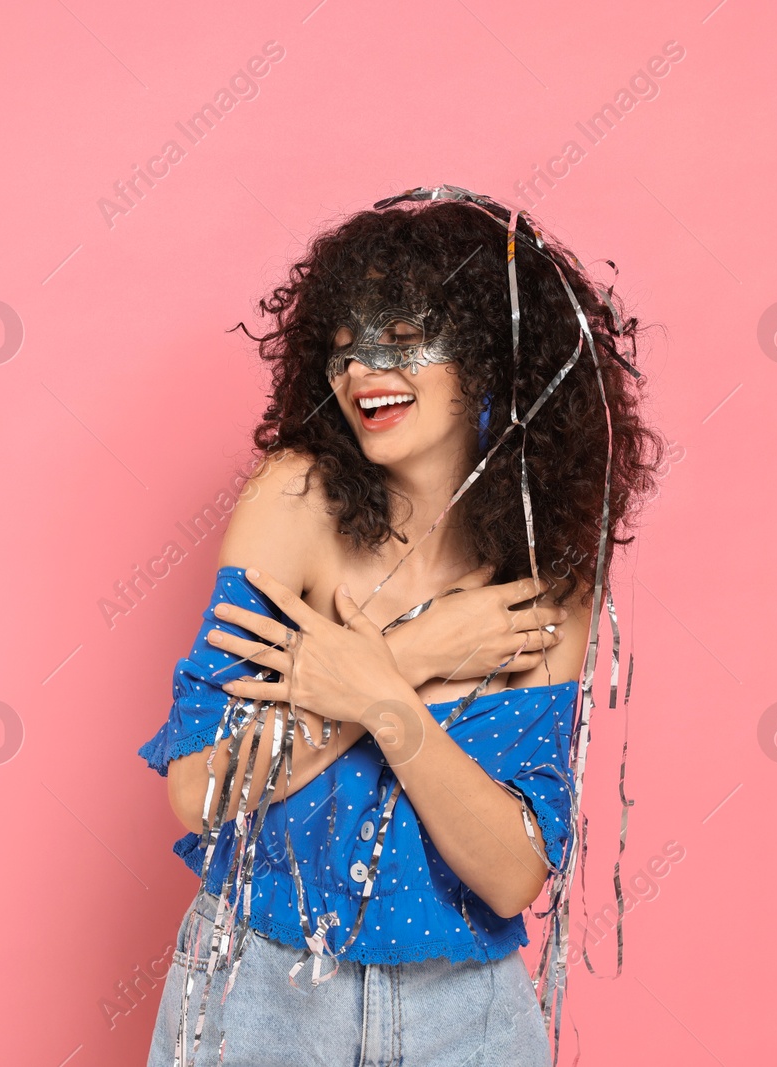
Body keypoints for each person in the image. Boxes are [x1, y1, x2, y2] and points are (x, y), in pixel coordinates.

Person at [137, 186, 661, 1066]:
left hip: (465, 1018)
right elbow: (200, 792)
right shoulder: (292, 501)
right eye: (344, 349)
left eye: (405, 338)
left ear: (493, 359)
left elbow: (511, 872)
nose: (363, 369)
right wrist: (414, 654)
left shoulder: (545, 578)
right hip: (258, 995)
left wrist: (386, 703)